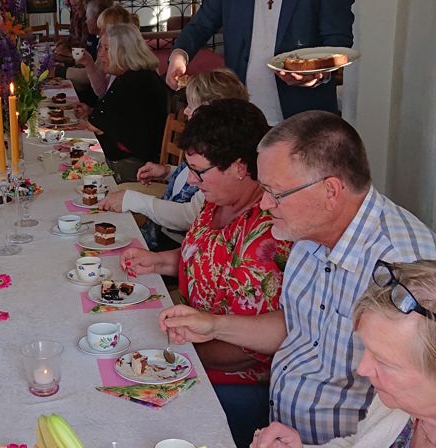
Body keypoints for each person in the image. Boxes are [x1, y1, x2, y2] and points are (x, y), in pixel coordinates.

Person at [158, 111, 436, 444]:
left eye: (275, 193)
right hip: (283, 427)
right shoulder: (307, 233)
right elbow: (297, 325)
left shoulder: (401, 263)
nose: (263, 204)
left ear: (330, 191)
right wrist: (214, 325)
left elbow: (403, 415)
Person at [120, 99, 290, 447]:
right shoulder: (217, 202)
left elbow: (251, 349)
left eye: (199, 171)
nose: (192, 181)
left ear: (240, 167)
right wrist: (159, 262)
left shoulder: (266, 233)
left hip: (237, 380)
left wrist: (171, 354)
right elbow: (202, 256)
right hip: (192, 346)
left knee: (129, 403)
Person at [251, 260, 436, 448]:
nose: (363, 369)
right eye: (368, 350)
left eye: (383, 361)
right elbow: (358, 443)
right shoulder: (398, 406)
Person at [98, 68, 249, 250]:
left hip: (177, 244)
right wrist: (167, 171)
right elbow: (190, 174)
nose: (185, 111)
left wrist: (134, 200)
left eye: (191, 106)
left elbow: (188, 216)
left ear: (211, 111)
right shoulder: (206, 144)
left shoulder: (220, 158)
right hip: (164, 234)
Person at [165, 0, 354, 125]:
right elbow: (201, 25)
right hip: (243, 117)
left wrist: (318, 75)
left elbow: (337, 43)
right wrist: (180, 55)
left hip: (304, 120)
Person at [74, 23, 168, 182]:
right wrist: (91, 112)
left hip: (132, 169)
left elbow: (95, 125)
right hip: (137, 162)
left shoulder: (132, 81)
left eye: (106, 48)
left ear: (123, 52)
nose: (100, 55)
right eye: (100, 48)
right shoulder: (140, 75)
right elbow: (115, 118)